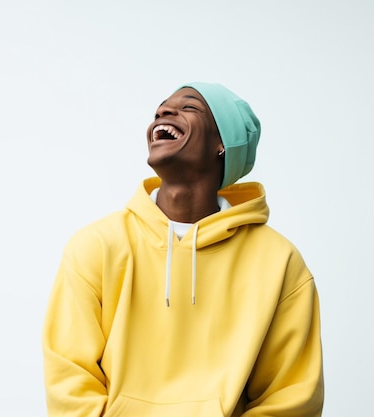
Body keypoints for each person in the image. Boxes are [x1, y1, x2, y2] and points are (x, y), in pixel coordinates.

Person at [42, 82, 324, 417]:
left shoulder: (278, 262)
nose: (163, 112)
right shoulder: (97, 245)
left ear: (223, 143)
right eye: (160, 108)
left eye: (189, 107)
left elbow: (292, 395)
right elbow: (68, 379)